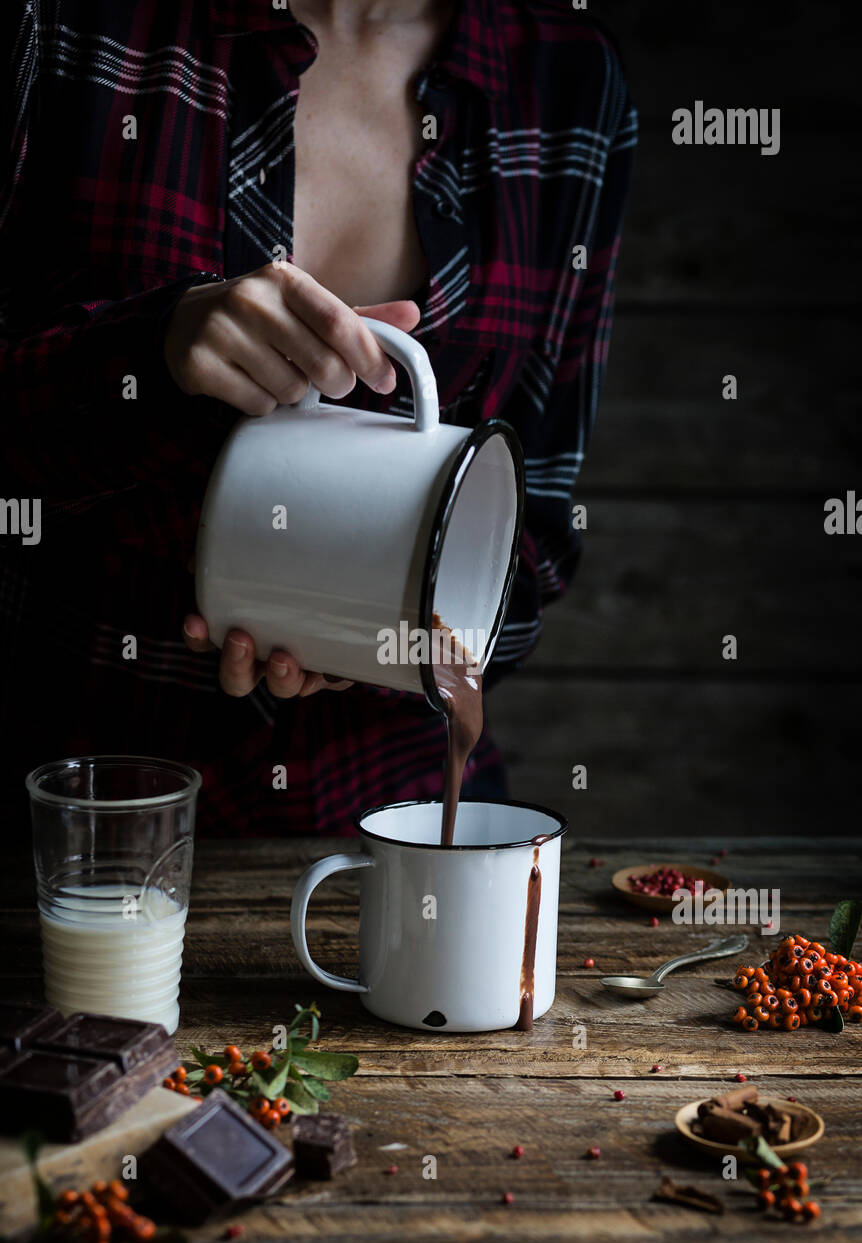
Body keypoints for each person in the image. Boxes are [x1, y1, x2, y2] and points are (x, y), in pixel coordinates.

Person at [1, 0, 636, 839]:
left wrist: (366, 638)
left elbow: (532, 548)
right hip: (68, 818)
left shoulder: (567, 78)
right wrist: (147, 354)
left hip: (396, 825)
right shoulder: (75, 27)